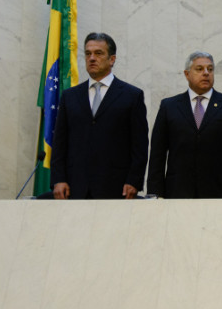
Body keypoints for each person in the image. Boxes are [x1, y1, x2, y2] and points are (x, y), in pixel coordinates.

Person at [51, 32, 149, 199]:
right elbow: (60, 142)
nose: (92, 58)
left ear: (112, 59)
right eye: (88, 54)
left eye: (98, 53)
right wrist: (58, 179)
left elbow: (139, 144)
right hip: (75, 187)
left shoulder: (131, 95)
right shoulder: (70, 96)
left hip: (115, 187)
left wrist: (134, 180)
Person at [147, 51, 222, 198]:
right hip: (177, 194)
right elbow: (158, 154)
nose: (206, 73)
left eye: (210, 69)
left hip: (219, 194)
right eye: (199, 69)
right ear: (187, 74)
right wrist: (155, 194)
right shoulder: (169, 107)